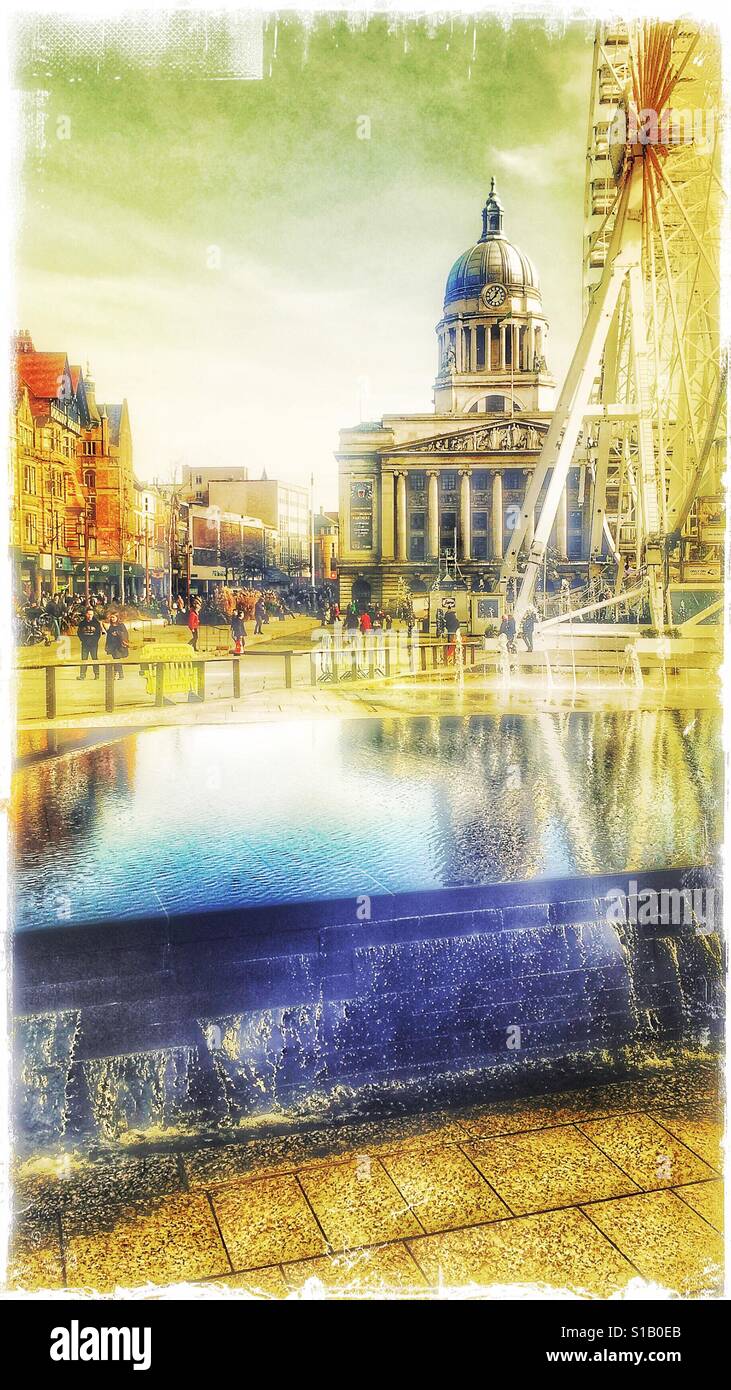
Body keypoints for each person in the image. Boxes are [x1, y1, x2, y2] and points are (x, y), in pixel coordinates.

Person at [76, 607, 102, 680]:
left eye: (91, 614)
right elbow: (79, 633)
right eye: (89, 614)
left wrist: (94, 641)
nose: (90, 616)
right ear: (86, 614)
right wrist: (83, 640)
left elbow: (98, 634)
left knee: (94, 659)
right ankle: (82, 675)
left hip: (93, 644)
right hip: (85, 644)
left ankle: (97, 674)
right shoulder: (82, 623)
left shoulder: (96, 623)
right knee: (84, 659)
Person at [105, 611, 130, 679]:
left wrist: (118, 633)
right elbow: (108, 636)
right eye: (111, 617)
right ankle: (117, 674)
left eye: (113, 617)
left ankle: (119, 675)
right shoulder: (111, 626)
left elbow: (125, 634)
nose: (112, 619)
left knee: (117, 660)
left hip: (119, 646)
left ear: (117, 618)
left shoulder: (121, 625)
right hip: (113, 646)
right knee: (116, 660)